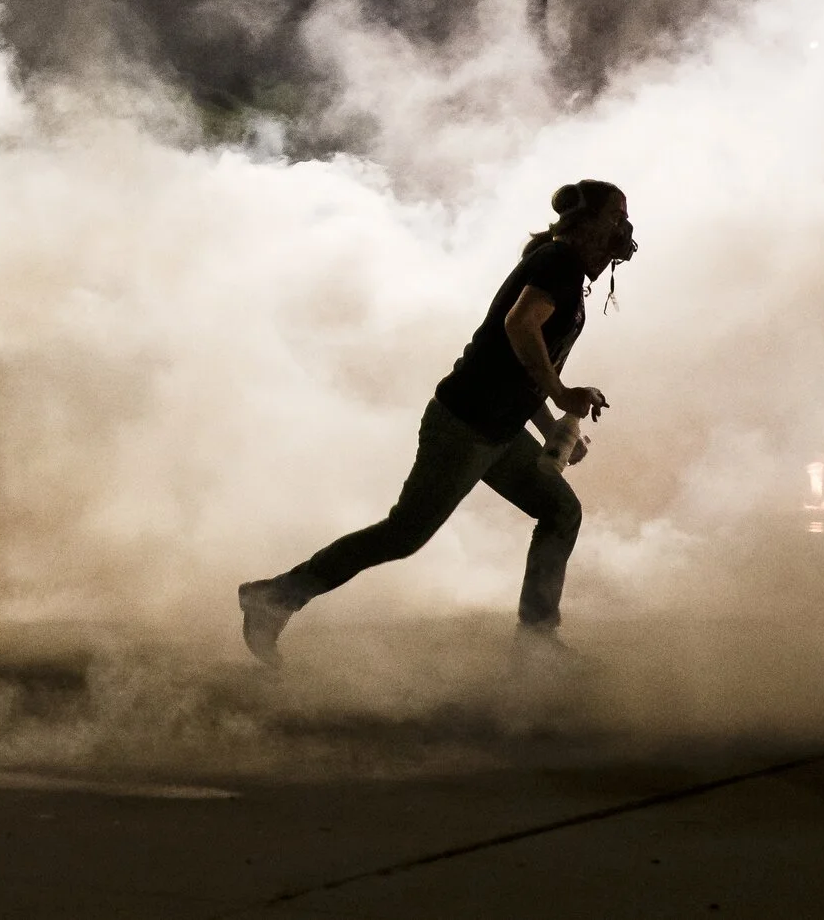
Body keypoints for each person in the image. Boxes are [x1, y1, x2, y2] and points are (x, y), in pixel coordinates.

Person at [237, 180, 637, 664]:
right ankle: (274, 597)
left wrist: (552, 424)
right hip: (466, 425)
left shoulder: (563, 268)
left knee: (560, 512)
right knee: (403, 534)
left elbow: (519, 364)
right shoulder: (558, 264)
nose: (623, 228)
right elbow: (519, 326)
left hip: (497, 430)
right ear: (586, 220)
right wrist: (560, 393)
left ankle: (536, 640)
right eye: (615, 215)